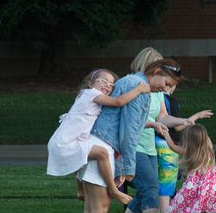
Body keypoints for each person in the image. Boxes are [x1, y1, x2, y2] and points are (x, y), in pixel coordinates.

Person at [76, 57, 185, 213]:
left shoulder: (132, 83)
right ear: (155, 70)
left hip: (97, 144)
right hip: (104, 147)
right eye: (167, 83)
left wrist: (150, 123)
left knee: (93, 208)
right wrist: (127, 168)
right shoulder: (138, 87)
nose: (167, 89)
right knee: (99, 208)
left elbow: (124, 120)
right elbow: (128, 131)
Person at [113, 49, 211, 213]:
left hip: (149, 146)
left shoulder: (156, 92)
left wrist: (185, 120)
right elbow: (129, 123)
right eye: (165, 76)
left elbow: (162, 118)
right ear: (153, 68)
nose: (166, 83)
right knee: (150, 186)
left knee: (145, 190)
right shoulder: (135, 86)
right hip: (133, 145)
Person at [47, 69, 149, 204]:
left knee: (82, 158)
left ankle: (80, 190)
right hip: (64, 143)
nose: (107, 85)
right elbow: (119, 101)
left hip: (63, 141)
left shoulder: (88, 97)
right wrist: (138, 89)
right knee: (102, 153)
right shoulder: (91, 94)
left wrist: (153, 124)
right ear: (90, 83)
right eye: (103, 81)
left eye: (111, 84)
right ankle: (113, 189)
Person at [156, 85, 213, 213]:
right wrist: (198, 117)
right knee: (167, 182)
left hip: (152, 142)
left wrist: (165, 133)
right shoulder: (207, 153)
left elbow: (174, 143)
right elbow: (179, 126)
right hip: (205, 187)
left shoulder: (152, 98)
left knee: (159, 180)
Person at [166, 125, 216, 213]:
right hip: (212, 189)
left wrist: (166, 133)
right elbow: (205, 138)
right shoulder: (209, 150)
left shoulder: (190, 151)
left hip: (196, 189)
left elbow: (172, 146)